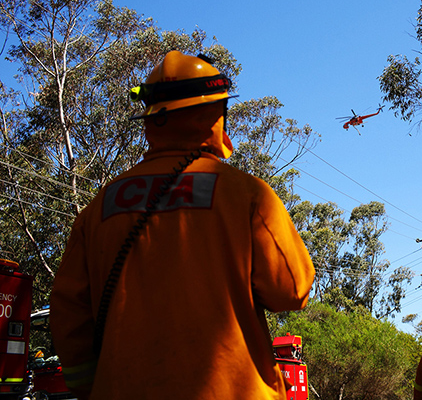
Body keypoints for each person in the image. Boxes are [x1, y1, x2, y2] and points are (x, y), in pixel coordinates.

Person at [50, 51, 315, 400]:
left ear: (151, 120)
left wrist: (94, 386)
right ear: (216, 117)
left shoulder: (101, 206)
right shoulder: (246, 194)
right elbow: (291, 291)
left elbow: (69, 314)